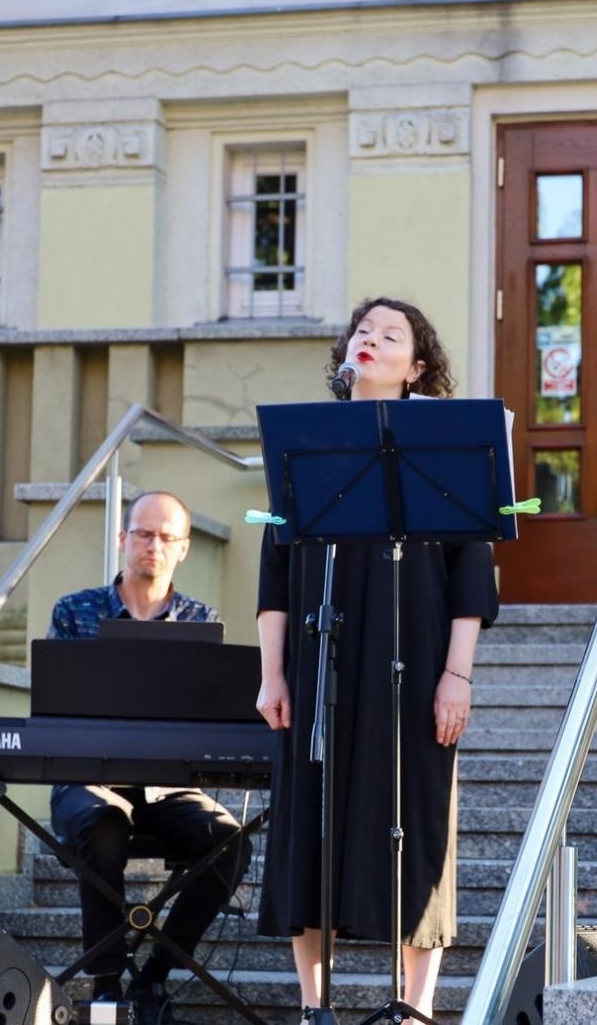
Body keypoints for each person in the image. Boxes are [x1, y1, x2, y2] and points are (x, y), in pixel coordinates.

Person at [254, 297, 500, 1019]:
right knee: (310, 826)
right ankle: (314, 1006)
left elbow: (471, 575)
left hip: (414, 662)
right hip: (318, 660)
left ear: (416, 368)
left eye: (391, 335)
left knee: (416, 822)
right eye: (363, 330)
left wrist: (457, 675)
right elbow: (275, 571)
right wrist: (272, 674)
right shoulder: (304, 443)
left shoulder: (446, 449)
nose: (370, 339)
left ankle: (416, 1008)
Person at [49, 490, 252, 1024]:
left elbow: (206, 719)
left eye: (166, 537)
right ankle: (106, 988)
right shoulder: (74, 612)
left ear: (184, 548)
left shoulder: (200, 619)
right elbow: (56, 708)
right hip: (88, 779)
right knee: (104, 825)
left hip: (169, 785)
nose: (153, 546)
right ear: (122, 539)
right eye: (143, 534)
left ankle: (153, 977)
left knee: (230, 842)